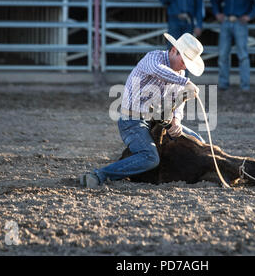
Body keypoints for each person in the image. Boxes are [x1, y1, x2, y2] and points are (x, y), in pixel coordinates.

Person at [80, 33, 205, 188]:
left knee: (198, 141)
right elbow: (158, 70)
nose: (185, 66)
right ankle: (99, 175)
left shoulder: (180, 74)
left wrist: (176, 121)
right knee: (149, 157)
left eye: (188, 63)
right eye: (184, 60)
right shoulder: (153, 58)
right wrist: (185, 82)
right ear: (173, 50)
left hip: (157, 121)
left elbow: (178, 104)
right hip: (131, 121)